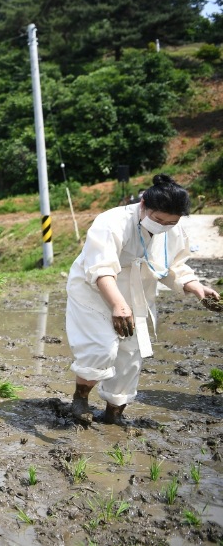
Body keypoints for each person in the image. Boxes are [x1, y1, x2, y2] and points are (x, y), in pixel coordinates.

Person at [67, 174, 220, 425]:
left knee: (131, 352)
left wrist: (196, 287)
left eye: (170, 222)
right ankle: (81, 398)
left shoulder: (174, 228)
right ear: (143, 206)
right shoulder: (112, 221)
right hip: (94, 290)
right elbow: (101, 268)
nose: (163, 225)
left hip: (137, 292)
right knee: (102, 346)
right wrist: (117, 304)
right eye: (158, 219)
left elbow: (174, 265)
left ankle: (114, 412)